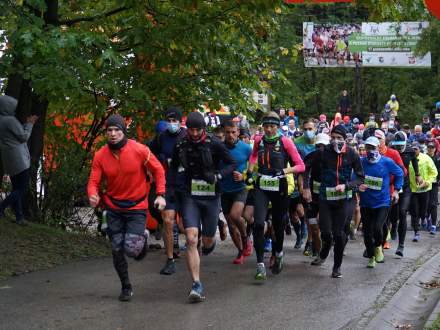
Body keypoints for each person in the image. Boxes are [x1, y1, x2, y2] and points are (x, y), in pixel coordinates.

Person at [87, 114, 166, 301]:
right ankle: (126, 286)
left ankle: (142, 240)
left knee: (132, 249)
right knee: (116, 248)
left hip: (137, 206)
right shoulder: (100, 155)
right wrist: (92, 194)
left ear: (123, 131)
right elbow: (93, 181)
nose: (113, 134)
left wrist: (161, 194)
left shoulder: (139, 150)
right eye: (110, 130)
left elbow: (159, 170)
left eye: (117, 130)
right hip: (113, 207)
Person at [168, 111, 236, 302]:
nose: (195, 133)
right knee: (191, 239)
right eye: (191, 130)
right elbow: (173, 168)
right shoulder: (181, 144)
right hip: (190, 196)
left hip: (211, 197)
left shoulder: (214, 143)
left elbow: (231, 163)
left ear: (203, 129)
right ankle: (196, 284)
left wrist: (218, 176)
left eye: (198, 130)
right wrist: (171, 189)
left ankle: (212, 238)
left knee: (206, 241)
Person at [247, 111, 305, 280]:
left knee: (279, 225)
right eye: (266, 126)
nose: (269, 130)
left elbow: (300, 166)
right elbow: (253, 156)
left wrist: (283, 171)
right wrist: (250, 171)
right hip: (262, 185)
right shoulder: (258, 140)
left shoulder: (286, 142)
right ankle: (260, 264)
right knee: (258, 224)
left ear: (278, 127)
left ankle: (278, 253)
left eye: (272, 126)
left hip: (279, 186)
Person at [304, 125, 364, 278]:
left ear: (345, 139)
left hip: (345, 198)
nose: (335, 141)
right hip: (326, 198)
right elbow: (306, 165)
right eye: (333, 137)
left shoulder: (352, 154)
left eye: (339, 138)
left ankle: (337, 267)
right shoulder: (323, 152)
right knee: (325, 232)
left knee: (338, 234)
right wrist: (306, 187)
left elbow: (360, 177)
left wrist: (347, 185)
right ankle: (324, 251)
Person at [149, 107, 187, 275]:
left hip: (186, 185)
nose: (172, 124)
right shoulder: (161, 138)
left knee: (187, 225)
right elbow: (148, 153)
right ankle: (170, 259)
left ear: (181, 121)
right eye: (169, 121)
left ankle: (199, 244)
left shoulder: (187, 136)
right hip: (168, 184)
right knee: (168, 220)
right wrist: (158, 162)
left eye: (175, 121)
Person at [358, 137, 403, 268]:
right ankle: (371, 257)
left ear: (379, 148)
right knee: (367, 232)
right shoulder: (361, 162)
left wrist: (396, 190)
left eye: (373, 147)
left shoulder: (387, 162)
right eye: (368, 148)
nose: (370, 150)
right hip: (366, 203)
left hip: (382, 202)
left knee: (378, 227)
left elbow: (400, 173)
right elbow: (354, 177)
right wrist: (357, 186)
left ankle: (378, 247)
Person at [0, 95, 38, 225]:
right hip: (18, 158)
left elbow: (14, 133)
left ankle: (19, 217)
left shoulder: (2, 120)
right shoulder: (10, 120)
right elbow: (24, 136)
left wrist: (25, 124)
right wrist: (30, 124)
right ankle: (2, 206)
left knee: (16, 187)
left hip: (8, 158)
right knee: (21, 188)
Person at [219, 120, 253, 264]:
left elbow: (254, 169)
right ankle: (240, 251)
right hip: (224, 190)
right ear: (224, 133)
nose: (231, 135)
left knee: (235, 215)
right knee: (231, 225)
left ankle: (246, 239)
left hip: (240, 189)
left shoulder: (246, 149)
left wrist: (244, 175)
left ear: (238, 132)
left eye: (233, 132)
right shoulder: (218, 148)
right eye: (228, 132)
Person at [389, 131, 420, 256]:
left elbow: (415, 161)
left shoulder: (410, 150)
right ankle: (394, 227)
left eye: (401, 145)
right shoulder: (391, 150)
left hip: (405, 187)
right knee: (393, 213)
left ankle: (401, 245)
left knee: (403, 212)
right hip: (393, 186)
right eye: (397, 145)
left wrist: (417, 175)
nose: (399, 148)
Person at [408, 142, 438, 242]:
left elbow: (434, 172)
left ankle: (425, 217)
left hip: (425, 189)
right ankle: (416, 232)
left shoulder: (426, 158)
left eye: (416, 149)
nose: (414, 151)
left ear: (419, 149)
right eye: (413, 149)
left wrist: (427, 182)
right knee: (414, 211)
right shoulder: (408, 159)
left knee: (424, 210)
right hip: (413, 190)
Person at [426, 140, 440, 234]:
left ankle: (434, 225)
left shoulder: (438, 158)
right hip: (425, 184)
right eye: (429, 147)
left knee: (433, 204)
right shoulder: (424, 157)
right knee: (426, 204)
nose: (430, 149)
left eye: (432, 148)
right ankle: (428, 220)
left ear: (435, 149)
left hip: (434, 184)